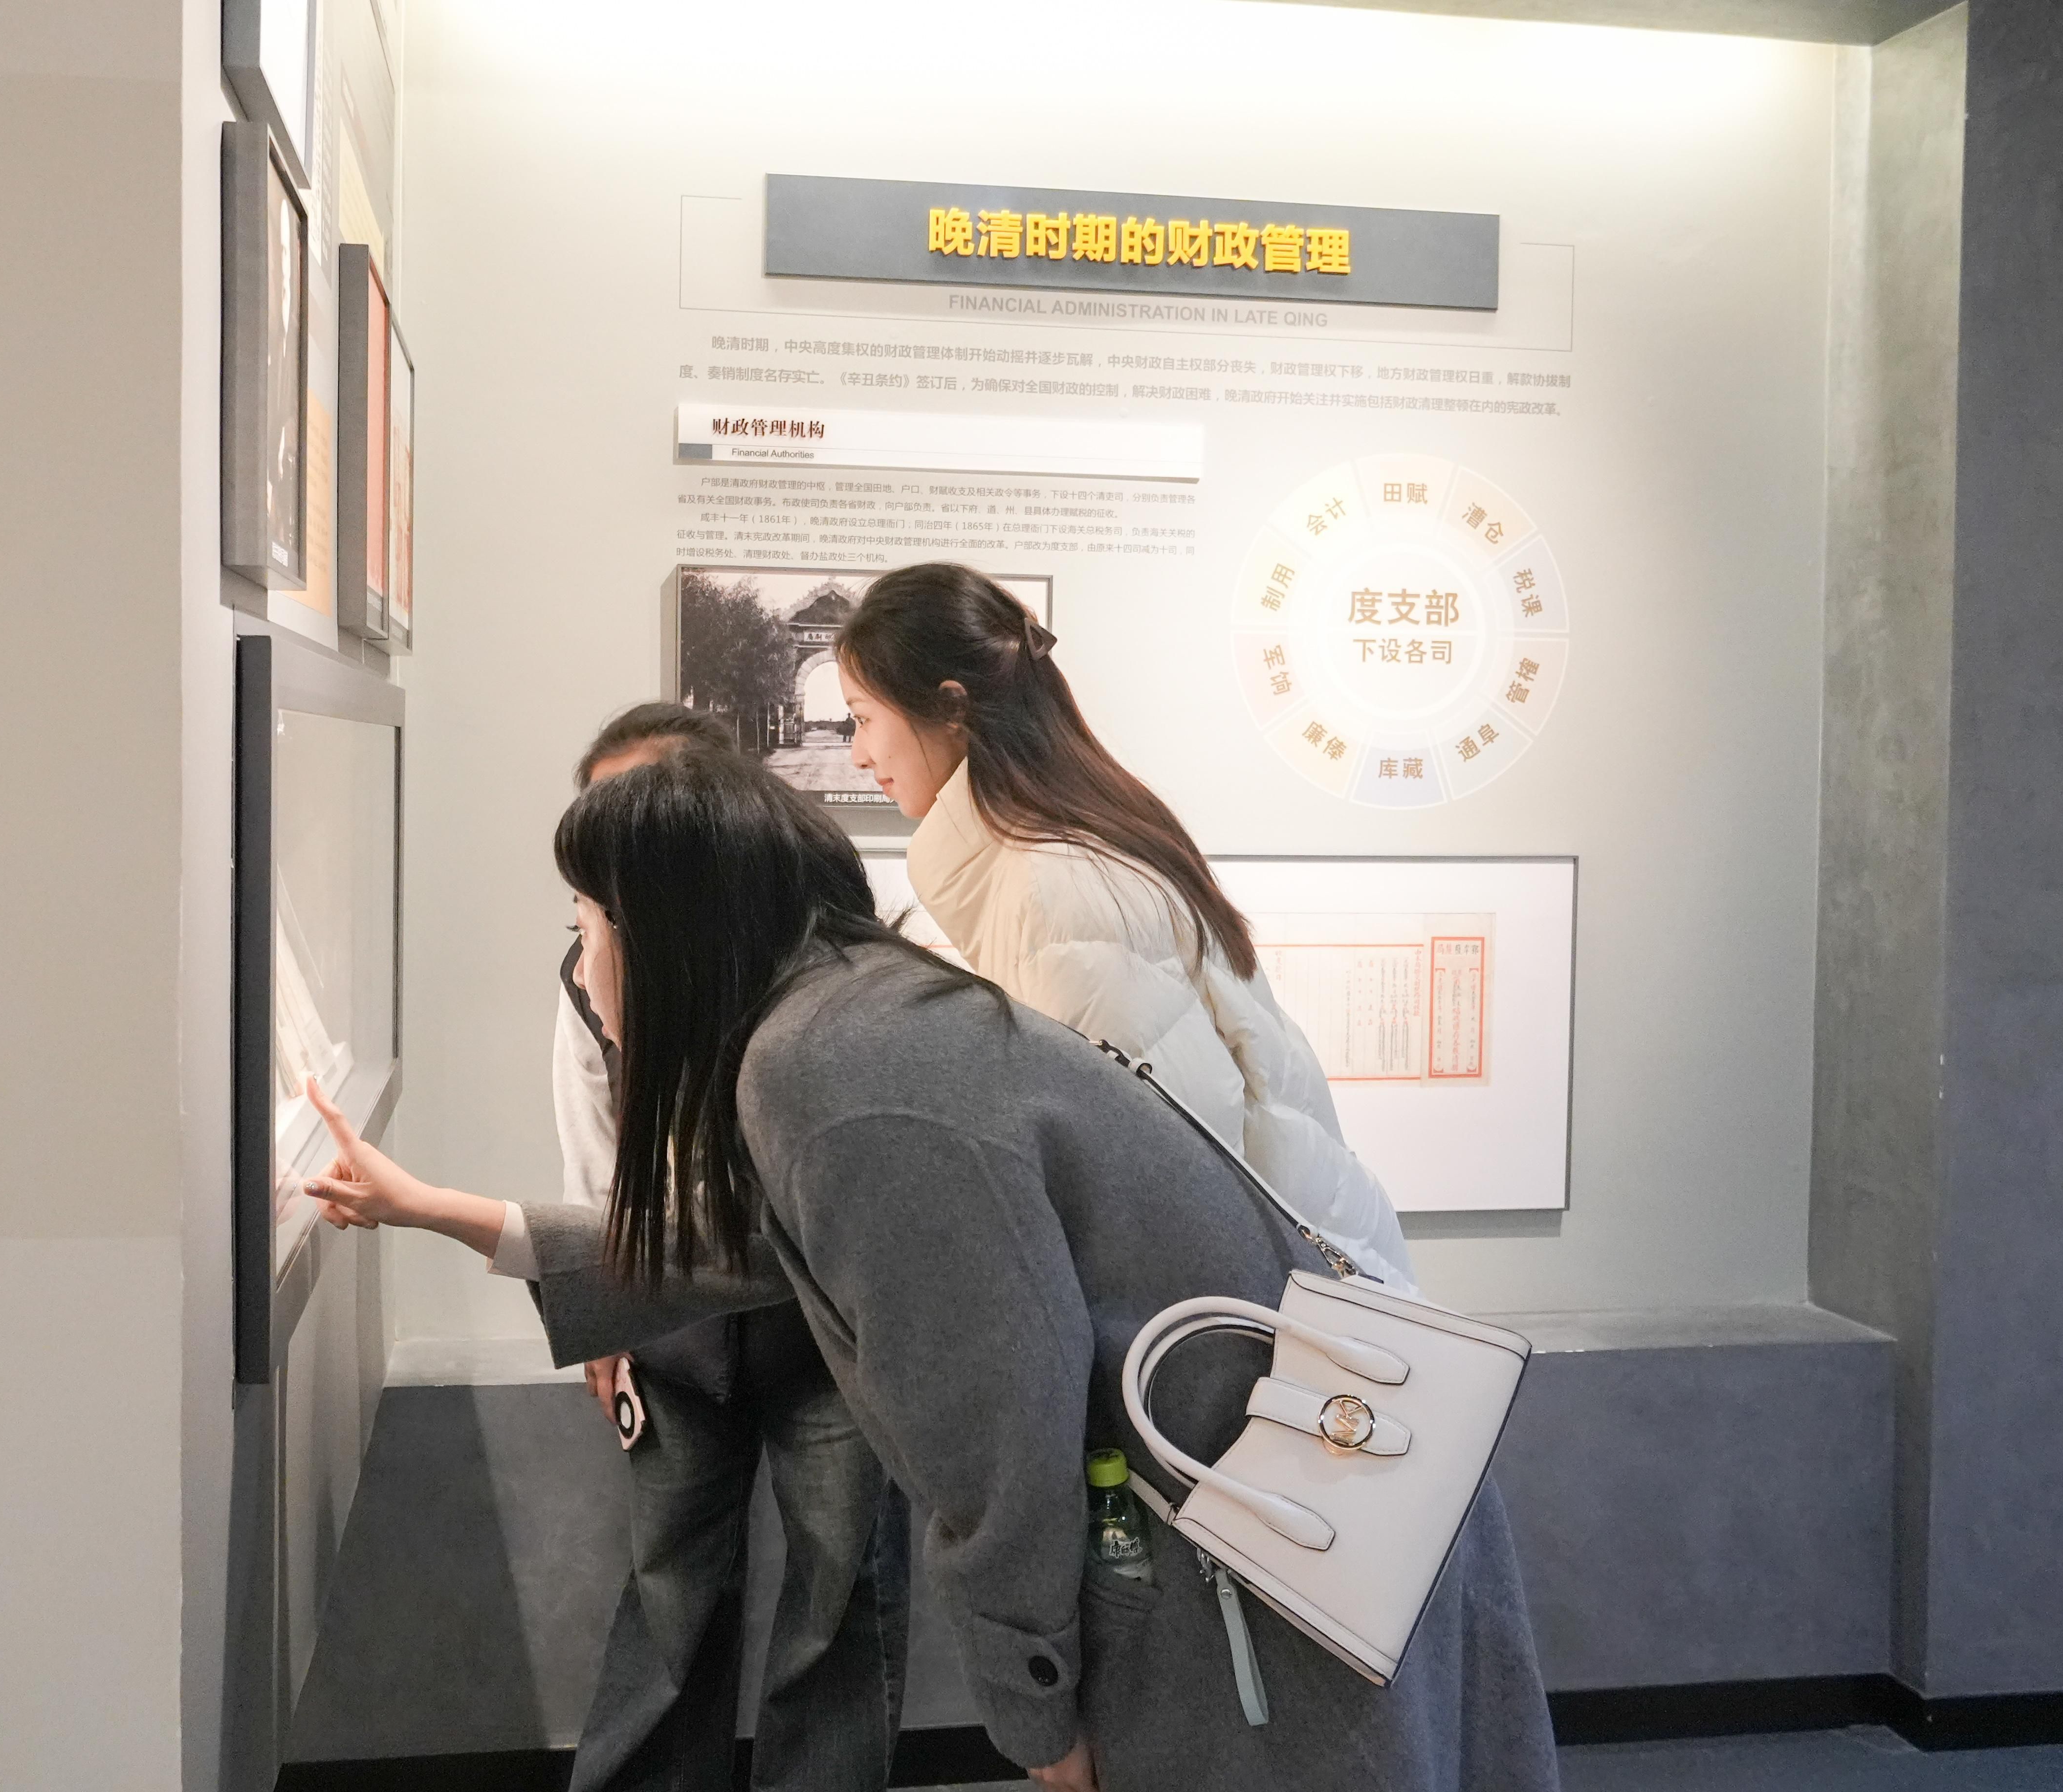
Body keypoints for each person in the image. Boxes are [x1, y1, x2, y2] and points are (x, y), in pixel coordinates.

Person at [304, 750, 1558, 1792]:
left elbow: (989, 1424)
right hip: (1300, 1484)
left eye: (585, 921)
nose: (581, 963)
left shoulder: (827, 1075)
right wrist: (441, 1212)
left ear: (664, 929)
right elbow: (761, 1246)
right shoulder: (848, 1012)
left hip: (1268, 1541)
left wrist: (1036, 1711)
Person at [398, 703, 909, 1792]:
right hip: (674, 1329)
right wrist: (610, 1315)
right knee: (670, 1585)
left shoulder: (823, 978)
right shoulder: (594, 969)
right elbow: (595, 1148)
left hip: (827, 1331)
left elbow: (809, 1214)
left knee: (841, 1593)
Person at [834, 562, 1417, 1289]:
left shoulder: (1056, 885)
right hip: (1294, 1273)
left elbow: (1158, 1178)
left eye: (863, 718)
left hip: (1272, 1304)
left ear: (951, 706)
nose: (858, 753)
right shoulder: (1066, 846)